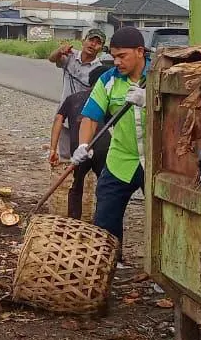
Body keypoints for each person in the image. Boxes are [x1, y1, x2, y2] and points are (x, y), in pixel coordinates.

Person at [71, 27, 149, 246]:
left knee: (162, 220)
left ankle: (160, 275)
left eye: (122, 56)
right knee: (105, 217)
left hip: (156, 162)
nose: (116, 62)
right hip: (121, 158)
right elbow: (91, 116)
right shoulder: (107, 80)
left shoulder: (159, 76)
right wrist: (84, 145)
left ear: (140, 51)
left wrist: (150, 100)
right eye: (114, 57)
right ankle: (109, 262)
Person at [49, 65, 110, 219]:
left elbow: (58, 119)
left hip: (80, 148)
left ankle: (73, 221)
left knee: (76, 185)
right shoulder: (106, 99)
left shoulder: (72, 99)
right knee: (105, 186)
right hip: (103, 147)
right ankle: (102, 220)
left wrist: (52, 149)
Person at [48, 26, 107, 159]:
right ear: (83, 41)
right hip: (65, 112)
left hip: (85, 118)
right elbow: (52, 59)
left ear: (101, 48)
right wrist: (59, 52)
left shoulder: (98, 69)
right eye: (91, 40)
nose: (93, 44)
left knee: (83, 156)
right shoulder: (70, 55)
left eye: (98, 43)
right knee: (65, 156)